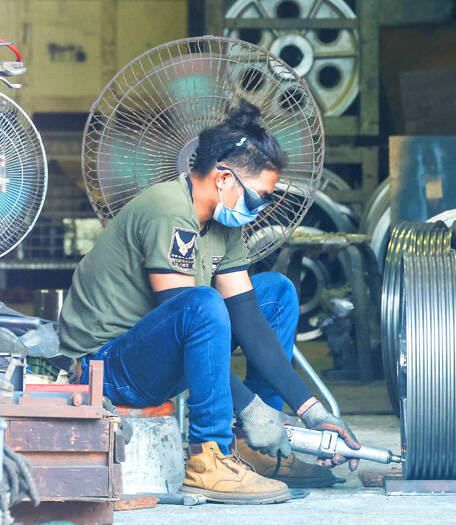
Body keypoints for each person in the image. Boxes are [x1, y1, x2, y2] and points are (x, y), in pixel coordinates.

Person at [57, 100, 361, 504]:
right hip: (106, 367)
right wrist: (251, 407)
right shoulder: (169, 210)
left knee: (275, 293)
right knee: (202, 303)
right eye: (259, 198)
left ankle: (252, 448)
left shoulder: (221, 225)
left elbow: (251, 322)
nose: (261, 209)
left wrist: (312, 411)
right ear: (223, 179)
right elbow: (188, 316)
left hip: (157, 352)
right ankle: (209, 457)